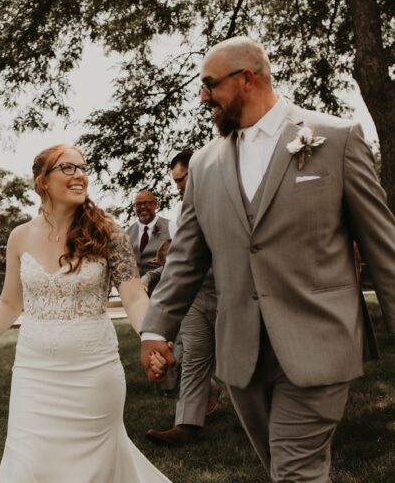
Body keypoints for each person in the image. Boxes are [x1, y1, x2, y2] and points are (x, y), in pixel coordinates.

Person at [140, 37, 395, 482]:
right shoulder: (203, 165)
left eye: (210, 85)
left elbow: (383, 248)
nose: (203, 97)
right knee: (283, 468)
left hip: (320, 340)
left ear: (247, 79)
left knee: (296, 471)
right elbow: (185, 260)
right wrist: (155, 328)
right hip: (241, 353)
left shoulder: (335, 138)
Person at [0, 144, 172, 483]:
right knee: (26, 465)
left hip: (94, 373)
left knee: (93, 471)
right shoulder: (19, 237)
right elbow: (8, 303)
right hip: (34, 375)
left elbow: (134, 297)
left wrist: (151, 338)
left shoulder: (109, 233)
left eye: (82, 168)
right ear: (43, 182)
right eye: (67, 168)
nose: (79, 174)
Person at [146, 150, 220, 445]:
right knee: (193, 358)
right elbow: (181, 258)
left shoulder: (226, 196)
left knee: (243, 361)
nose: (177, 186)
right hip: (195, 294)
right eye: (175, 181)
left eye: (182, 179)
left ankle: (268, 422)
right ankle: (187, 424)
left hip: (228, 293)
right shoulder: (183, 210)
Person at [126, 190, 176, 277]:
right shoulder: (127, 232)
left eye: (146, 203)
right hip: (136, 287)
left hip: (163, 286)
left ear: (155, 205)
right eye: (138, 204)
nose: (142, 207)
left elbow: (181, 256)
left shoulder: (170, 227)